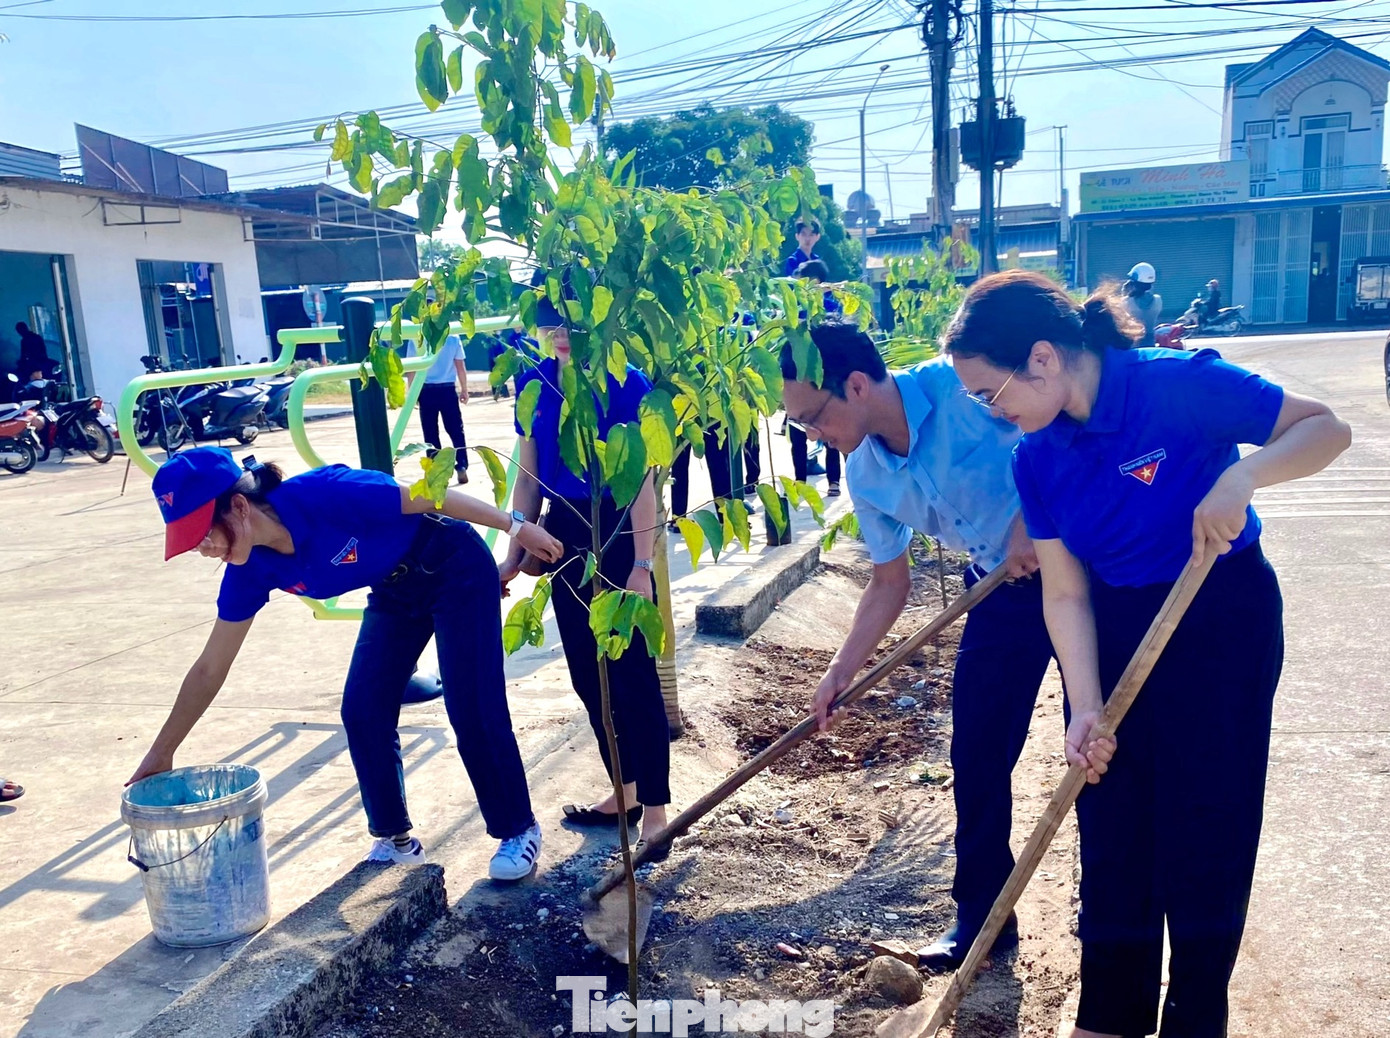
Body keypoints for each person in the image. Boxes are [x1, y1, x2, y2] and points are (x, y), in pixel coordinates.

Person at [943, 270, 1351, 1038]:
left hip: (1219, 617)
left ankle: (1195, 1014)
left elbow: (1326, 429)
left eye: (991, 394)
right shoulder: (1036, 457)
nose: (995, 414)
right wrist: (1084, 705)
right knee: (1111, 822)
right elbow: (1065, 592)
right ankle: (1110, 1015)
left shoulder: (1178, 385)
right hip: (1115, 622)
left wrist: (1243, 475)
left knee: (1206, 821)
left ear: (1042, 358)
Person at [127, 446, 564, 880]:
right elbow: (210, 667)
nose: (203, 549)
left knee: (471, 705)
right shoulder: (248, 568)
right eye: (191, 541)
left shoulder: (326, 492)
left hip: (453, 564)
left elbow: (430, 495)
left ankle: (518, 829)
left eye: (204, 533)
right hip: (394, 591)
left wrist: (517, 527)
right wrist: (162, 751)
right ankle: (394, 841)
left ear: (239, 506)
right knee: (363, 710)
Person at [784, 322, 1054, 971]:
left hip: (1081, 570)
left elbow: (1054, 429)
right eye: (800, 427)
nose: (813, 436)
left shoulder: (962, 389)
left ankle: (1106, 914)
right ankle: (984, 919)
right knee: (977, 753)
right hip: (999, 590)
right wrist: (841, 670)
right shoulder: (865, 474)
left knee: (1095, 742)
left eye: (813, 419)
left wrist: (1032, 517)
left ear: (855, 385)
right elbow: (889, 582)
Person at [500, 292, 672, 857]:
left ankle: (655, 810)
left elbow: (641, 484)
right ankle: (624, 791)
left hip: (617, 529)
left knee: (633, 675)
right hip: (565, 535)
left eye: (574, 317)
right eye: (552, 320)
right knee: (587, 675)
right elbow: (527, 479)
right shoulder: (534, 385)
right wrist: (515, 550)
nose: (562, 331)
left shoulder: (627, 382)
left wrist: (642, 566)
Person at [788, 259, 842, 495]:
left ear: (818, 281)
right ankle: (800, 481)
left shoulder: (831, 306)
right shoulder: (794, 307)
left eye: (806, 281)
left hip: (825, 375)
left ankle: (834, 480)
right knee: (797, 429)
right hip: (799, 375)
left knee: (831, 426)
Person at [406, 333, 470, 485]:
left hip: (426, 390)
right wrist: (464, 389)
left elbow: (412, 368)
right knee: (456, 430)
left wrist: (412, 392)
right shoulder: (453, 336)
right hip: (448, 389)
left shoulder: (417, 336)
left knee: (430, 433)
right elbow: (460, 366)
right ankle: (461, 464)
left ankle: (435, 470)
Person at [1119, 263, 1162, 347]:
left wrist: (1125, 293)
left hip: (1133, 344)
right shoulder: (1158, 300)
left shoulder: (1125, 302)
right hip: (1151, 343)